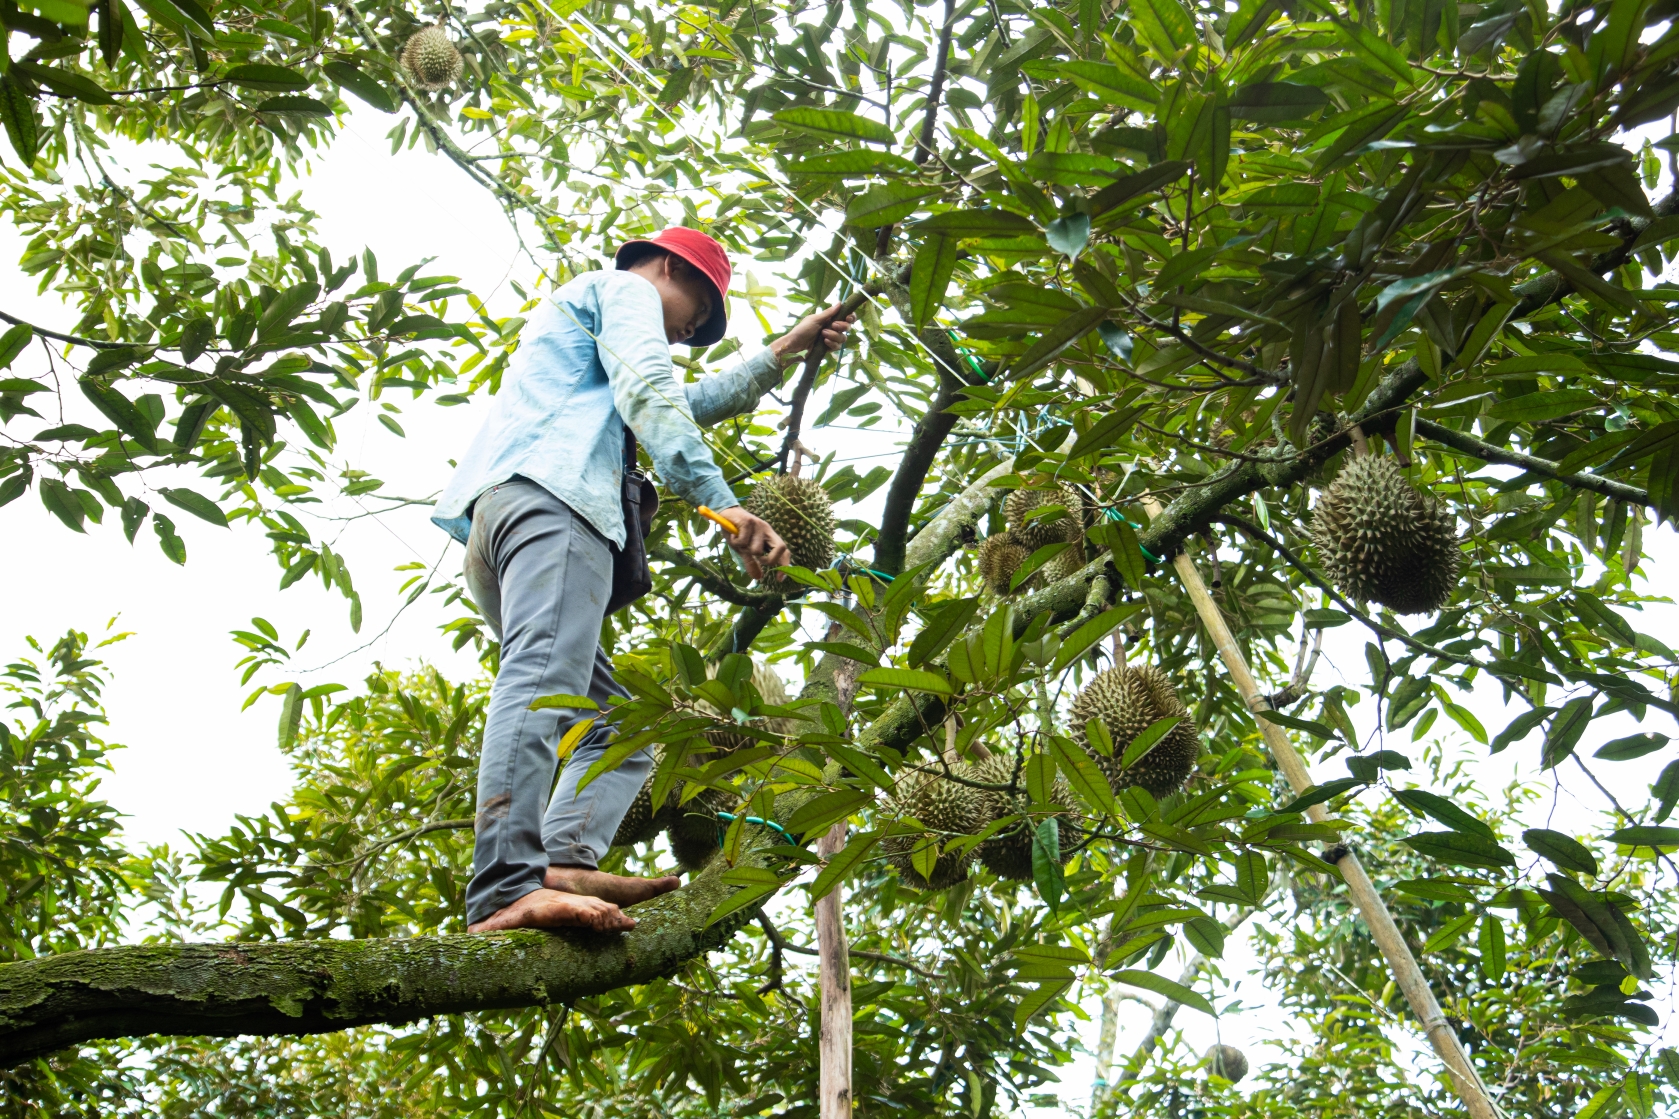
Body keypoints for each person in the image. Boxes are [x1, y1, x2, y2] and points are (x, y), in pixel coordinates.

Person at [431, 227, 854, 934]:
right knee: (539, 684)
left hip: (506, 517)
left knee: (615, 727)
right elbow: (652, 391)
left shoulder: (587, 337)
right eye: (700, 306)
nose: (696, 329)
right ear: (665, 266)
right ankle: (504, 887)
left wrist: (784, 351)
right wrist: (719, 499)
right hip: (556, 506)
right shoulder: (624, 289)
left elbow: (679, 400)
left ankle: (559, 858)